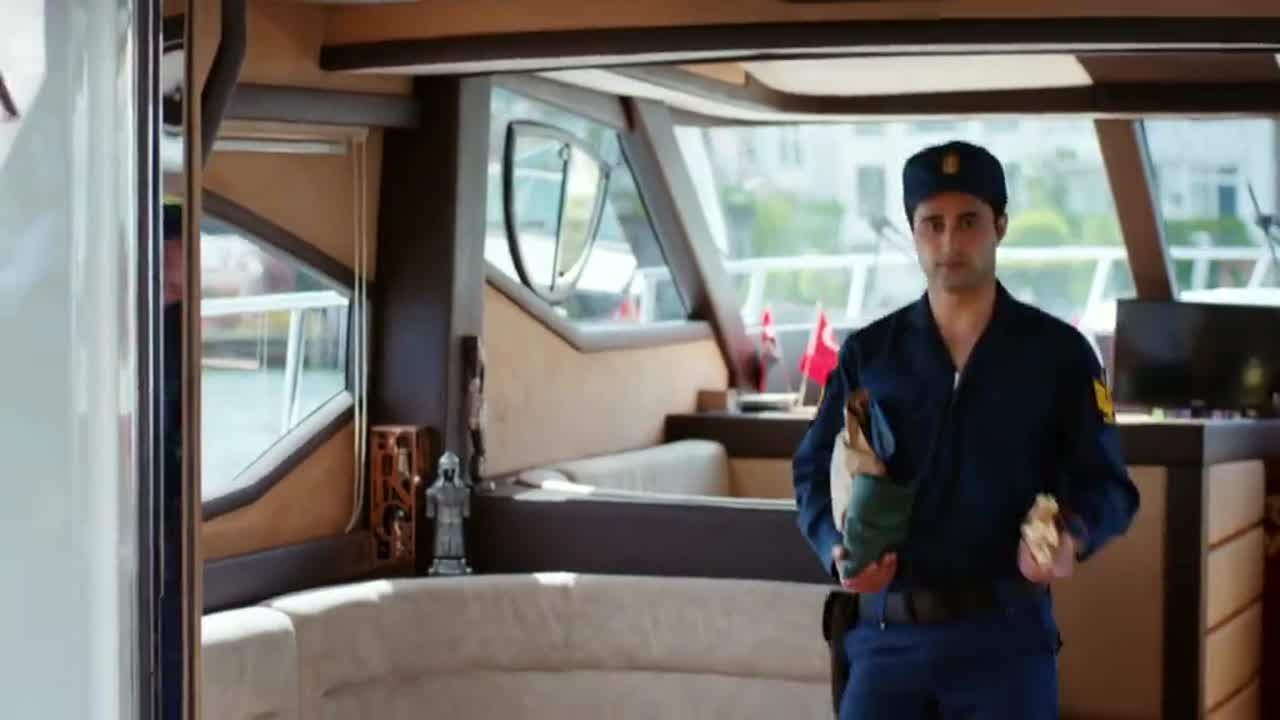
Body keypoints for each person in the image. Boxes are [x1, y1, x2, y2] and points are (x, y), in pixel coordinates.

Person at [792, 140, 1140, 719]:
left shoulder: (1059, 355)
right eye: (933, 224)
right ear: (913, 232)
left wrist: (1071, 539)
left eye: (969, 222)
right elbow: (810, 472)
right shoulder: (870, 354)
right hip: (886, 641)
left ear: (1000, 225)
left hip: (1006, 644)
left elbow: (1109, 484)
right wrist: (837, 549)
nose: (950, 242)